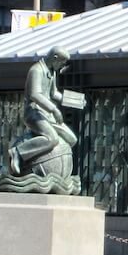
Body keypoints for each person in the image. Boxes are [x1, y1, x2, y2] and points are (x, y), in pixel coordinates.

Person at [8, 46, 77, 175]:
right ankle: (18, 152)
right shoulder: (36, 70)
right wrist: (54, 109)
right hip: (34, 114)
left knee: (72, 139)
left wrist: (74, 100)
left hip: (47, 115)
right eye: (62, 62)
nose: (62, 66)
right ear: (55, 58)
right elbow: (35, 94)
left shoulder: (52, 71)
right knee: (52, 139)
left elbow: (54, 93)